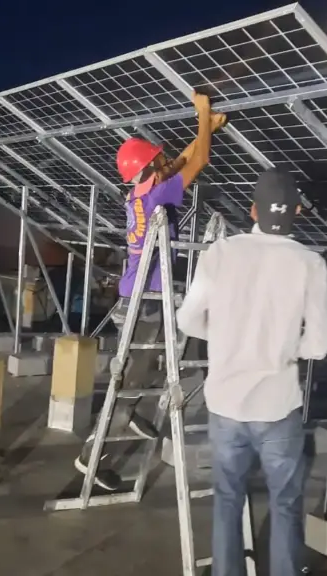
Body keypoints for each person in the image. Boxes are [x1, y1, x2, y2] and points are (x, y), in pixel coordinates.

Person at [177, 168, 327, 576]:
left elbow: (188, 320)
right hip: (278, 406)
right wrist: (284, 348)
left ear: (252, 211)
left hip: (226, 404)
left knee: (227, 499)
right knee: (285, 503)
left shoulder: (220, 253)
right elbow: (319, 344)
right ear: (296, 211)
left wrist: (227, 337)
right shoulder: (310, 263)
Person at [74, 92, 227, 490]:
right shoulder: (157, 194)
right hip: (144, 301)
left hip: (140, 297)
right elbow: (198, 162)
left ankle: (130, 415)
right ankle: (92, 455)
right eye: (158, 160)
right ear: (148, 169)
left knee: (148, 365)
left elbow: (180, 162)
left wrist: (207, 128)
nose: (165, 161)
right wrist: (202, 115)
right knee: (130, 378)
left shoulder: (140, 193)